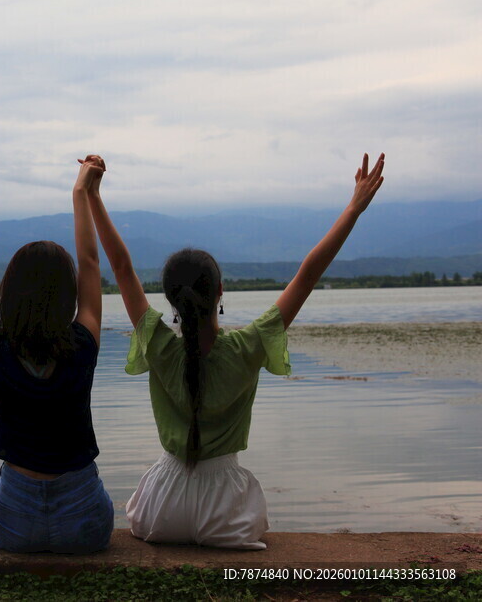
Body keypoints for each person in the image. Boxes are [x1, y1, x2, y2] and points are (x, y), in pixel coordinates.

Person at [84, 152, 386, 549]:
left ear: (171, 299)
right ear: (221, 292)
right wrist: (354, 208)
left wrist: (92, 194)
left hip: (163, 510)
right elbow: (308, 275)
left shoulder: (159, 345)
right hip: (225, 513)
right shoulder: (249, 346)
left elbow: (121, 268)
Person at [0, 153, 115, 554]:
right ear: (68, 296)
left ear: (8, 295)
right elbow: (91, 262)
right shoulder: (83, 344)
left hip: (16, 521)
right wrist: (81, 192)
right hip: (85, 516)